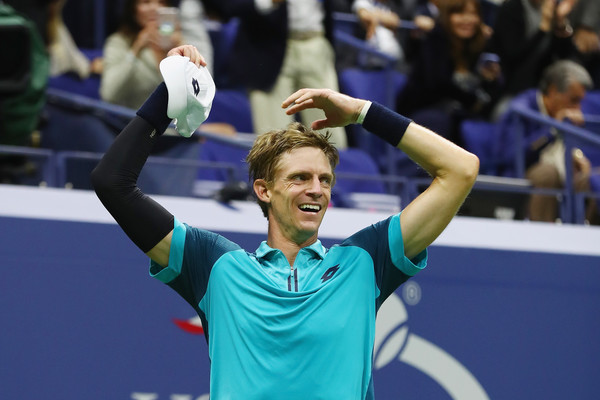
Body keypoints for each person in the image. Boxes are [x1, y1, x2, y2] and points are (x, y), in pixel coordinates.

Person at [91, 44, 479, 399]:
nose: (317, 190)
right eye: (300, 178)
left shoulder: (365, 261)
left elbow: (460, 170)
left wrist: (363, 113)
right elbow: (112, 183)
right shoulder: (215, 266)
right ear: (264, 190)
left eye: (324, 180)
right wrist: (171, 89)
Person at [202, 0, 349, 148]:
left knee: (332, 140)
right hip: (266, 49)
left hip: (316, 43)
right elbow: (225, 6)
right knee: (274, 143)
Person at [495, 60, 595, 222]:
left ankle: (586, 237)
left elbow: (563, 147)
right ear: (553, 91)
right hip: (526, 172)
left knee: (592, 177)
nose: (578, 109)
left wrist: (577, 157)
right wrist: (553, 129)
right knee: (548, 173)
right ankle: (543, 239)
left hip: (562, 168)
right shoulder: (521, 109)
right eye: (574, 100)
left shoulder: (566, 111)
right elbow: (511, 156)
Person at [395, 0, 502, 145]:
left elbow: (492, 88)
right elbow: (437, 84)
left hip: (460, 115)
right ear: (447, 16)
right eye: (459, 13)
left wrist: (490, 79)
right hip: (425, 110)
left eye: (473, 14)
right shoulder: (436, 38)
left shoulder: (479, 43)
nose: (467, 20)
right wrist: (472, 101)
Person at [488, 0, 578, 118]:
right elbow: (513, 55)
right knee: (504, 115)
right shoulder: (512, 8)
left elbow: (566, 57)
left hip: (539, 91)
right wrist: (542, 30)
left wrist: (560, 23)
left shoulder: (552, 10)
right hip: (509, 87)